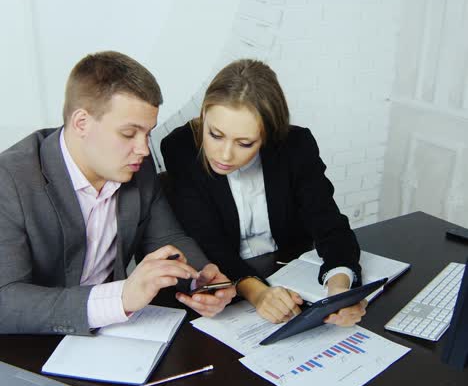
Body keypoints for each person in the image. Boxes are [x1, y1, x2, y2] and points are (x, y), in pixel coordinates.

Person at [0, 51, 236, 335]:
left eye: (147, 133)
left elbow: (168, 239)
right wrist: (120, 298)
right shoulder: (10, 180)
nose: (144, 149)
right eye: (128, 134)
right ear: (81, 123)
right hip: (33, 345)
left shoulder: (138, 166)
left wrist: (202, 280)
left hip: (117, 334)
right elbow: (5, 300)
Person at [161, 59, 365, 326]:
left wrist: (338, 288)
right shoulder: (181, 148)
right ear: (203, 116)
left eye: (244, 143)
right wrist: (258, 294)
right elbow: (208, 240)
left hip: (291, 280)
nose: (224, 154)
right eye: (215, 134)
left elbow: (329, 224)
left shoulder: (296, 146)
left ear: (268, 134)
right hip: (225, 291)